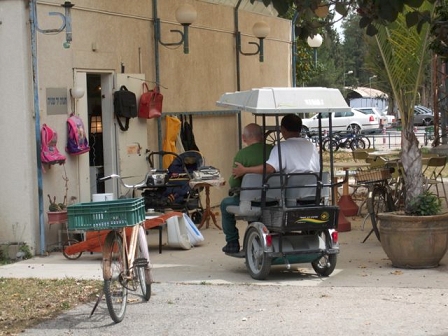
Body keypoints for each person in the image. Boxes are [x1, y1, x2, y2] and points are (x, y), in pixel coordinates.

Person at [221, 123, 272, 254]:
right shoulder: (274, 150)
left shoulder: (241, 155)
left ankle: (232, 242)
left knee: (225, 204)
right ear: (262, 136)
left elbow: (234, 183)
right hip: (274, 199)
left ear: (244, 138)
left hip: (250, 201)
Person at [232, 114, 320, 178]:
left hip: (294, 193)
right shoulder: (311, 145)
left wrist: (245, 170)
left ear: (283, 129)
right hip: (315, 190)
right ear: (300, 128)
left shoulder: (283, 147)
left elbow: (270, 169)